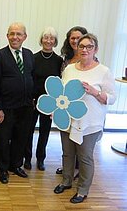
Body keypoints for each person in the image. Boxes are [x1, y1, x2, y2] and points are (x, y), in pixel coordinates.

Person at [53, 33, 116, 203]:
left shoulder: (103, 71)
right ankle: (66, 181)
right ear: (77, 48)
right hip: (68, 119)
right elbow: (62, 92)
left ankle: (82, 189)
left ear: (95, 49)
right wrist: (55, 108)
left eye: (89, 46)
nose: (85, 49)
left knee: (85, 157)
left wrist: (94, 92)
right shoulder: (69, 69)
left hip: (90, 123)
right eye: (82, 46)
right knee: (67, 154)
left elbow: (112, 98)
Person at [0, 22, 34, 184]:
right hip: (6, 108)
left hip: (26, 107)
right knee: (3, 138)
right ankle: (3, 168)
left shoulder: (29, 55)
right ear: (7, 36)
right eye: (12, 34)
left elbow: (31, 78)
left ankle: (15, 165)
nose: (15, 37)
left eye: (19, 34)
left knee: (20, 138)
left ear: (24, 37)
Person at [24, 27, 63, 171]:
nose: (48, 40)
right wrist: (31, 98)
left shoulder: (59, 60)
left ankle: (41, 159)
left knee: (45, 131)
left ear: (55, 41)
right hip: (34, 101)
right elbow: (30, 79)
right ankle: (27, 158)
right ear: (41, 40)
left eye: (51, 38)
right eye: (46, 37)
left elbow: (59, 82)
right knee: (28, 130)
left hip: (50, 102)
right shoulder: (33, 58)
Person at [56, 26, 88, 175]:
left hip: (81, 106)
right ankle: (67, 168)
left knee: (79, 141)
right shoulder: (66, 60)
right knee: (67, 142)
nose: (75, 41)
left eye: (78, 38)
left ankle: (77, 169)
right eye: (72, 38)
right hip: (66, 106)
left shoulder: (91, 60)